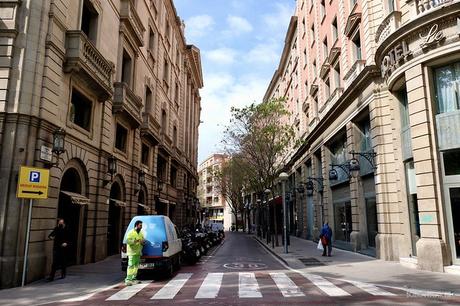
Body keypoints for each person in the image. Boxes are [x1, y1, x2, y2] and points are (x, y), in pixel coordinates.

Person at [125, 220, 145, 286]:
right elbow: (127, 241)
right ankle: (128, 280)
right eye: (140, 225)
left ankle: (133, 279)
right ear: (136, 225)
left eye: (141, 225)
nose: (141, 227)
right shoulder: (131, 232)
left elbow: (143, 240)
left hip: (138, 252)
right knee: (131, 266)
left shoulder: (141, 233)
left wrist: (142, 242)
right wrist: (135, 241)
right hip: (132, 252)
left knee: (136, 266)